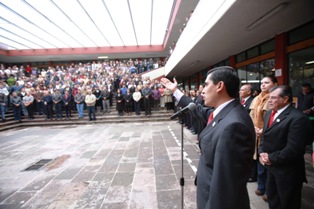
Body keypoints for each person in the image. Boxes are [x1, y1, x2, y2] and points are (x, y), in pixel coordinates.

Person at [161, 66, 255, 209]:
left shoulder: (234, 126)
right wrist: (175, 91)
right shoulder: (224, 112)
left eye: (206, 84)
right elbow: (197, 109)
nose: (202, 90)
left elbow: (226, 186)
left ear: (220, 86)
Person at [259, 85, 312, 209]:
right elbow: (265, 137)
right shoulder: (269, 114)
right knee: (273, 199)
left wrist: (270, 157)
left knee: (288, 202)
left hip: (288, 171)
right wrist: (261, 151)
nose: (269, 101)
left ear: (285, 99)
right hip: (272, 168)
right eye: (268, 98)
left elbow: (294, 149)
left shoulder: (297, 118)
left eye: (273, 98)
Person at [249, 76, 277, 201]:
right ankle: (261, 187)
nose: (263, 85)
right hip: (256, 135)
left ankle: (268, 190)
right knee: (259, 162)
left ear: (275, 84)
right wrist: (253, 128)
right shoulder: (257, 99)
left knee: (268, 164)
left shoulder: (275, 100)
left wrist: (264, 130)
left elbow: (275, 118)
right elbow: (250, 115)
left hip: (269, 136)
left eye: (267, 83)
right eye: (262, 83)